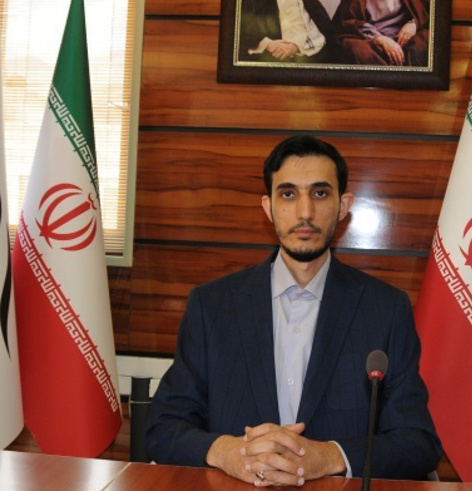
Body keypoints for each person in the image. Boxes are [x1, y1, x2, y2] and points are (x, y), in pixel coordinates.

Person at [147, 135, 442, 487]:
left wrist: (329, 457)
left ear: (343, 205)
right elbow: (163, 427)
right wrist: (227, 452)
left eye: (320, 193)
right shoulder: (212, 306)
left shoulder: (385, 309)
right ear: (268, 207)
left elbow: (417, 442)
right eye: (288, 194)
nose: (305, 212)